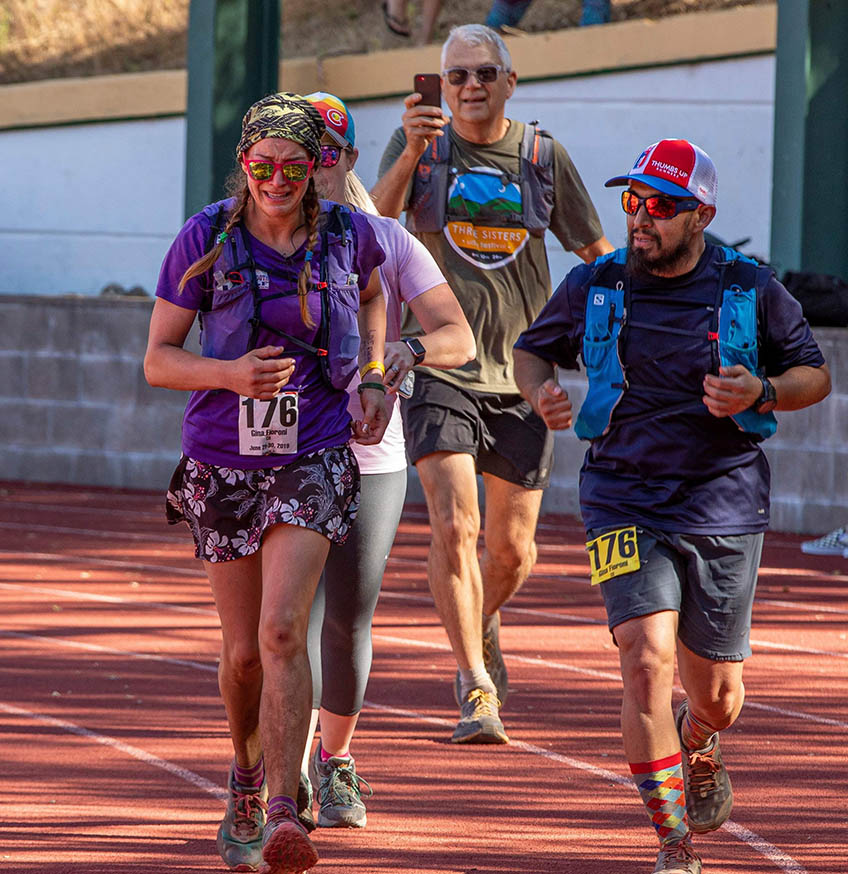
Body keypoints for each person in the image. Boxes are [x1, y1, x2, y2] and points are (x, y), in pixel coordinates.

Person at [513, 139, 831, 873]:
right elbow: (532, 351)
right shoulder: (597, 282)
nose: (641, 218)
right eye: (633, 202)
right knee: (645, 661)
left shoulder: (748, 287)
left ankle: (700, 737)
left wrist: (763, 392)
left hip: (724, 502)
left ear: (702, 216)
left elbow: (814, 374)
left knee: (716, 693)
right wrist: (540, 394)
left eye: (660, 205)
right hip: (621, 494)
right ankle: (674, 843)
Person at [144, 91, 391, 874]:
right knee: (244, 653)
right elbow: (157, 359)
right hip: (222, 458)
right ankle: (245, 777)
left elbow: (379, 295)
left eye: (293, 166)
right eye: (261, 166)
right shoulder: (205, 237)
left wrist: (377, 374)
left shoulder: (349, 235)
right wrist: (229, 374)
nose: (277, 180)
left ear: (319, 167)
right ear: (243, 166)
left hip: (313, 454)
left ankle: (285, 808)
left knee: (285, 629)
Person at [372, 22, 613, 744]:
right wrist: (412, 150)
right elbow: (368, 227)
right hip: (438, 363)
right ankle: (476, 683)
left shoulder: (542, 156)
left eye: (483, 74)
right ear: (440, 87)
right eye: (456, 77)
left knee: (512, 552)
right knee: (455, 524)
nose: (470, 87)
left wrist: (626, 324)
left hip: (523, 374)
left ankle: (477, 621)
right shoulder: (419, 147)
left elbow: (593, 249)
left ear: (510, 81)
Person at [298, 91, 475, 829]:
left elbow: (457, 336)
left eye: (323, 157)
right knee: (283, 628)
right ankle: (277, 771)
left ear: (346, 161)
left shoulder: (384, 239)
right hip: (278, 456)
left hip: (370, 456)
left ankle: (333, 761)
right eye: (293, 160)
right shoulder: (241, 237)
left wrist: (408, 349)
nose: (307, 174)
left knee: (345, 620)